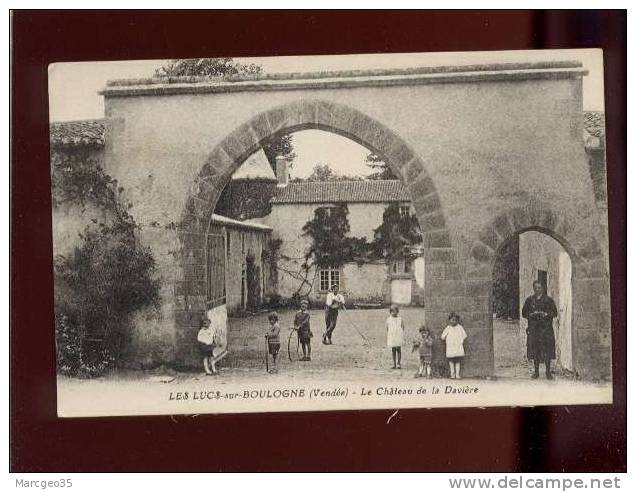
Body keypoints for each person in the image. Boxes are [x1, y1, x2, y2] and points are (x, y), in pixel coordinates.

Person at [522, 280, 558, 380]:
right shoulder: (530, 300)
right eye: (535, 288)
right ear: (533, 288)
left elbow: (555, 313)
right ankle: (536, 372)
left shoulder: (548, 300)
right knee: (535, 350)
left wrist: (546, 314)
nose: (537, 290)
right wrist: (531, 314)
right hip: (534, 329)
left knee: (547, 350)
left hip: (546, 329)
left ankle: (548, 372)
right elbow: (524, 313)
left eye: (539, 287)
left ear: (542, 288)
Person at [441, 312, 467, 379]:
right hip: (451, 347)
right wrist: (448, 339)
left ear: (457, 321)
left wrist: (460, 340)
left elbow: (464, 335)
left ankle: (457, 375)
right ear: (449, 320)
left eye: (455, 320)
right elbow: (442, 337)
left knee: (458, 361)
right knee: (451, 361)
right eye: (452, 320)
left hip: (458, 347)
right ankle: (452, 375)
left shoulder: (460, 327)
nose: (454, 321)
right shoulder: (448, 328)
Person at [386, 304, 405, 369]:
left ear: (397, 311)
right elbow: (387, 328)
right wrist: (390, 335)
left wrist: (401, 334)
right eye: (392, 311)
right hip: (392, 337)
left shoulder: (400, 319)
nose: (394, 313)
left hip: (398, 336)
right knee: (393, 350)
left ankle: (398, 363)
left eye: (395, 311)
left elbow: (403, 327)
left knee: (399, 350)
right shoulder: (389, 319)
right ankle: (394, 364)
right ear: (390, 312)